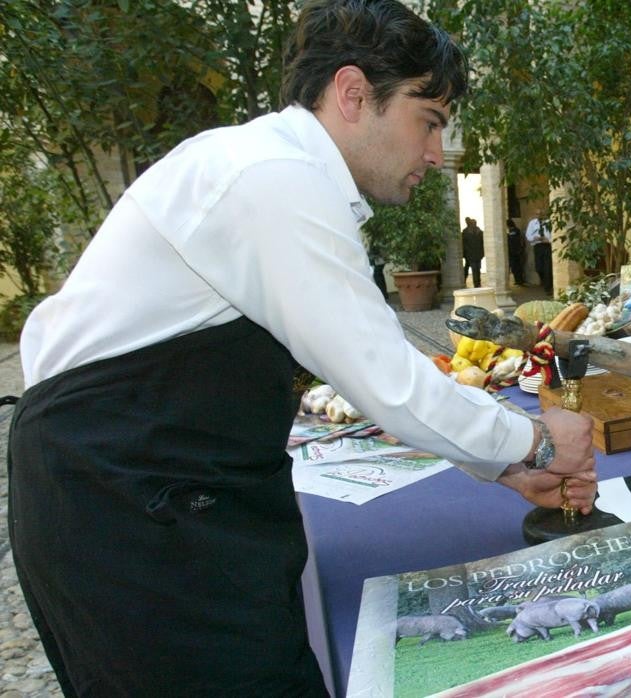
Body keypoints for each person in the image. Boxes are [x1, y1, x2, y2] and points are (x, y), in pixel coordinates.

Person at [7, 1, 596, 694]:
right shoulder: (271, 177)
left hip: (164, 491)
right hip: (129, 511)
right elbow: (388, 380)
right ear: (352, 94)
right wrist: (534, 440)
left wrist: (496, 466)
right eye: (428, 122)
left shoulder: (275, 172)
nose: (436, 155)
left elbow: (362, 365)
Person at [526, 207, 553, 295]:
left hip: (547, 245)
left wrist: (548, 240)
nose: (539, 215)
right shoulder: (532, 223)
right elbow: (528, 236)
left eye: (541, 214)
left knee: (547, 267)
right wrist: (534, 238)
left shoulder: (549, 222)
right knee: (539, 268)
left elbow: (555, 235)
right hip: (537, 246)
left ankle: (548, 287)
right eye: (537, 214)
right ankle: (545, 281)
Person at [461, 216, 484, 287]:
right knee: (475, 269)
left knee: (476, 269)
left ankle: (477, 283)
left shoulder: (477, 232)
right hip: (472, 254)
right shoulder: (467, 232)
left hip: (473, 254)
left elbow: (482, 243)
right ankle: (477, 283)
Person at [506, 217, 526, 286]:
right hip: (515, 251)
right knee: (516, 267)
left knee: (516, 267)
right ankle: (518, 281)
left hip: (514, 252)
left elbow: (514, 240)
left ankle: (519, 281)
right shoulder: (515, 230)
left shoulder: (514, 231)